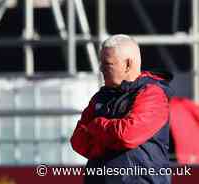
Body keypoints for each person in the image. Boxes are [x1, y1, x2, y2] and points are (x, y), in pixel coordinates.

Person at [70, 34, 173, 183]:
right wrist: (111, 140)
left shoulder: (153, 94)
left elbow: (127, 135)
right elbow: (78, 141)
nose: (101, 69)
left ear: (128, 65)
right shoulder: (101, 96)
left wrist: (97, 125)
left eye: (107, 64)